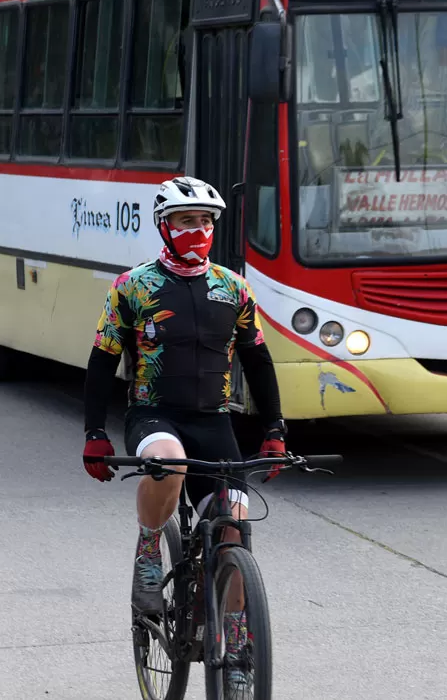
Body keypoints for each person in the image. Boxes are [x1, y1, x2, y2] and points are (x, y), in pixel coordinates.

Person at [80, 176, 286, 692]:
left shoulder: (233, 287)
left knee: (234, 522)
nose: (198, 230)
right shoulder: (133, 287)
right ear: (164, 227)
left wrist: (275, 430)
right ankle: (151, 548)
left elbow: (258, 360)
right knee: (168, 461)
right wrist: (94, 433)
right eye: (186, 221)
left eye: (206, 222)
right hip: (154, 416)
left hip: (213, 420)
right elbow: (103, 361)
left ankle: (236, 647)